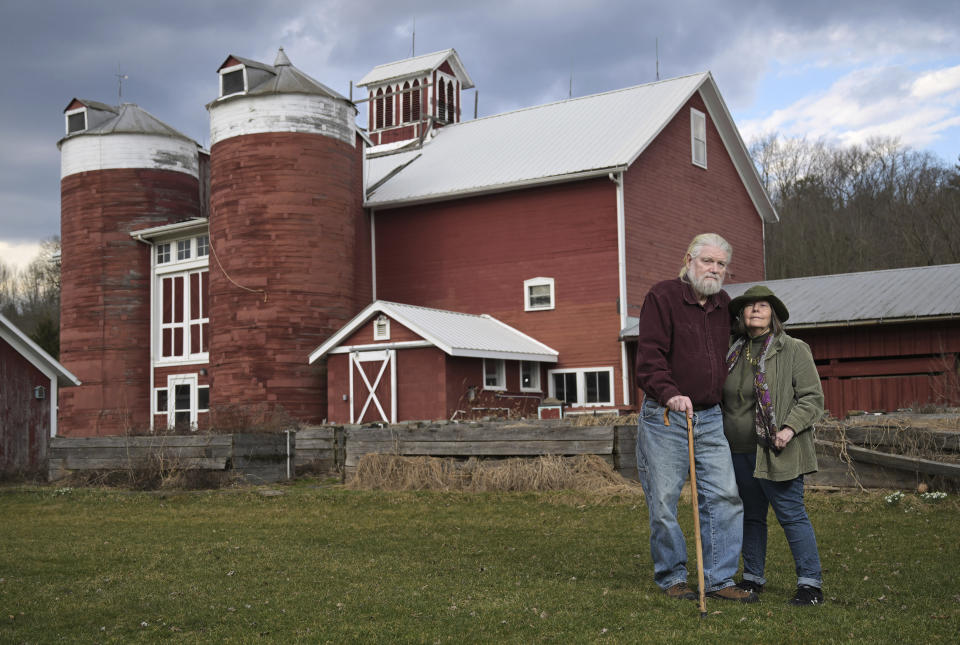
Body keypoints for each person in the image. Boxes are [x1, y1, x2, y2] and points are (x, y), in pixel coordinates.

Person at [634, 233, 758, 603]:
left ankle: (719, 580)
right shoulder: (663, 297)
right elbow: (649, 358)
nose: (715, 269)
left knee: (724, 497)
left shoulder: (724, 305)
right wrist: (670, 394)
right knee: (664, 500)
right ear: (689, 259)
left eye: (721, 264)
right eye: (708, 261)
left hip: (710, 417)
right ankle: (672, 577)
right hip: (666, 417)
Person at [722, 285, 826, 606]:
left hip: (777, 448)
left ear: (774, 314)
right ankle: (753, 579)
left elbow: (812, 397)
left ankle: (810, 586)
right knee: (751, 516)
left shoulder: (793, 349)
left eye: (762, 305)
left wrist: (790, 427)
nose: (755, 309)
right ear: (741, 314)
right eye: (749, 306)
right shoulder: (733, 351)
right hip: (738, 451)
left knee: (791, 515)